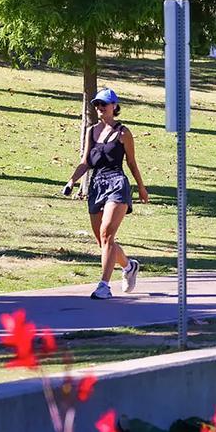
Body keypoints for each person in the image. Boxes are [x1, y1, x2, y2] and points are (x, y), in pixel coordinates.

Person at [63, 88, 149, 300]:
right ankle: (129, 266)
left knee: (107, 235)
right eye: (97, 104)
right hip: (96, 185)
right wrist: (72, 181)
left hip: (117, 184)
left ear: (114, 107)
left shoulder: (123, 133)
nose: (100, 108)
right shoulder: (91, 131)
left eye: (104, 104)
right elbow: (85, 162)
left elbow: (131, 162)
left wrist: (141, 187)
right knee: (103, 243)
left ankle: (104, 285)